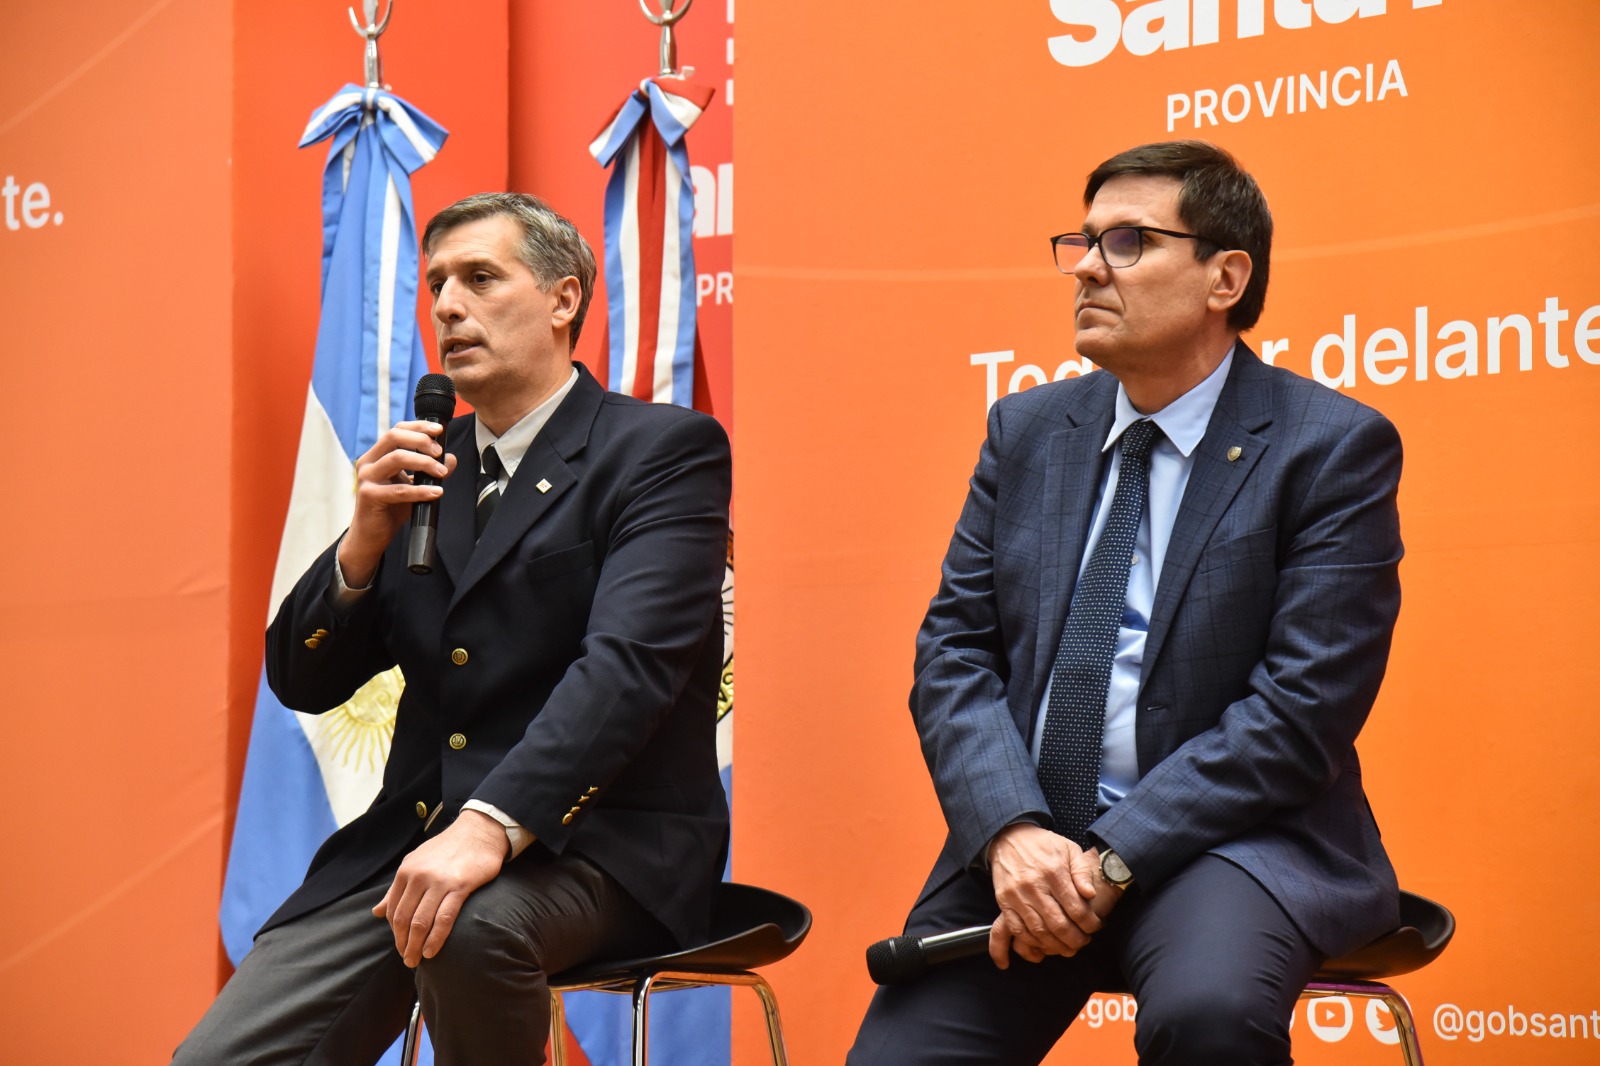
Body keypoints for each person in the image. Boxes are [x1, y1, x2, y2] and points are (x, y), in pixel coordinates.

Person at [847, 141, 1404, 1065]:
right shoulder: (1029, 431)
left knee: (1208, 1018)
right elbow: (954, 652)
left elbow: (1302, 710)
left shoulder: (1329, 447)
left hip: (1231, 843)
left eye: (1130, 242)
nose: (1088, 268)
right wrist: (1012, 832)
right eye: (1084, 241)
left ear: (1226, 278)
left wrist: (1113, 855)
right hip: (1030, 850)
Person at [175, 193, 732, 1065]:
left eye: (480, 278)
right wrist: (361, 545)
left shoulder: (661, 452)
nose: (447, 306)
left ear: (564, 298)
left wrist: (490, 824)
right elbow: (301, 680)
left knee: (470, 931)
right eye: (436, 284)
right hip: (412, 844)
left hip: (600, 843)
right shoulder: (425, 469)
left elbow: (627, 672)